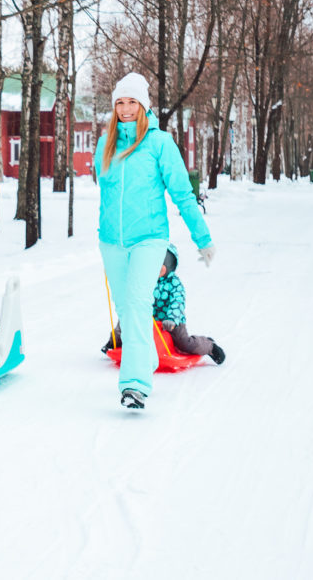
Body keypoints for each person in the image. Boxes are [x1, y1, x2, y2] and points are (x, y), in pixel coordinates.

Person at [94, 72, 216, 410]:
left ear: (144, 106)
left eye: (132, 102)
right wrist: (103, 232)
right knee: (127, 309)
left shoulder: (159, 143)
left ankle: (134, 385)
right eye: (120, 102)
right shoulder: (105, 145)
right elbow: (106, 195)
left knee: (137, 303)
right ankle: (145, 359)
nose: (126, 108)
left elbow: (182, 193)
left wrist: (202, 238)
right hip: (111, 242)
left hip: (149, 239)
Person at [101, 243, 225, 364]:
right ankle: (113, 343)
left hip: (171, 322)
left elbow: (177, 302)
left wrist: (172, 318)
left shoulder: (175, 284)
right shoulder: (144, 280)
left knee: (184, 343)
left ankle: (209, 346)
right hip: (148, 319)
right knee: (125, 321)